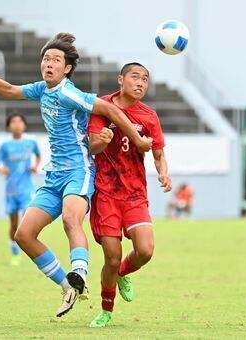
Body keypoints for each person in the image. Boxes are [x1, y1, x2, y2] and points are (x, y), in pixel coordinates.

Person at [0, 33, 152, 317]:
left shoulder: (69, 93)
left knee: (71, 217)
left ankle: (80, 272)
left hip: (79, 170)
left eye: (56, 60)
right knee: (23, 235)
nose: (49, 64)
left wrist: (136, 139)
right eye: (46, 59)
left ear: (67, 68)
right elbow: (9, 90)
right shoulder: (41, 89)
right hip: (53, 177)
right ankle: (68, 286)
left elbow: (109, 108)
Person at [87, 62, 172, 327]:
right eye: (135, 77)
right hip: (106, 193)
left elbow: (158, 153)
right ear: (120, 80)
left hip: (135, 194)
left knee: (145, 250)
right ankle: (106, 310)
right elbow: (92, 147)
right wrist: (102, 139)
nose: (141, 83)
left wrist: (163, 172)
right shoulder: (103, 106)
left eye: (145, 79)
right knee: (111, 257)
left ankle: (124, 273)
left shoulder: (149, 116)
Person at [0, 113, 41, 266]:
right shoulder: (5, 146)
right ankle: (14, 252)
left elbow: (38, 156)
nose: (17, 124)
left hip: (27, 188)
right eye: (13, 122)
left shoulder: (31, 142)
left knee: (26, 221)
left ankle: (29, 249)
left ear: (24, 125)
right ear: (9, 126)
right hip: (11, 190)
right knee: (13, 224)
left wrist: (35, 166)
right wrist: (1, 170)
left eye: (20, 121)